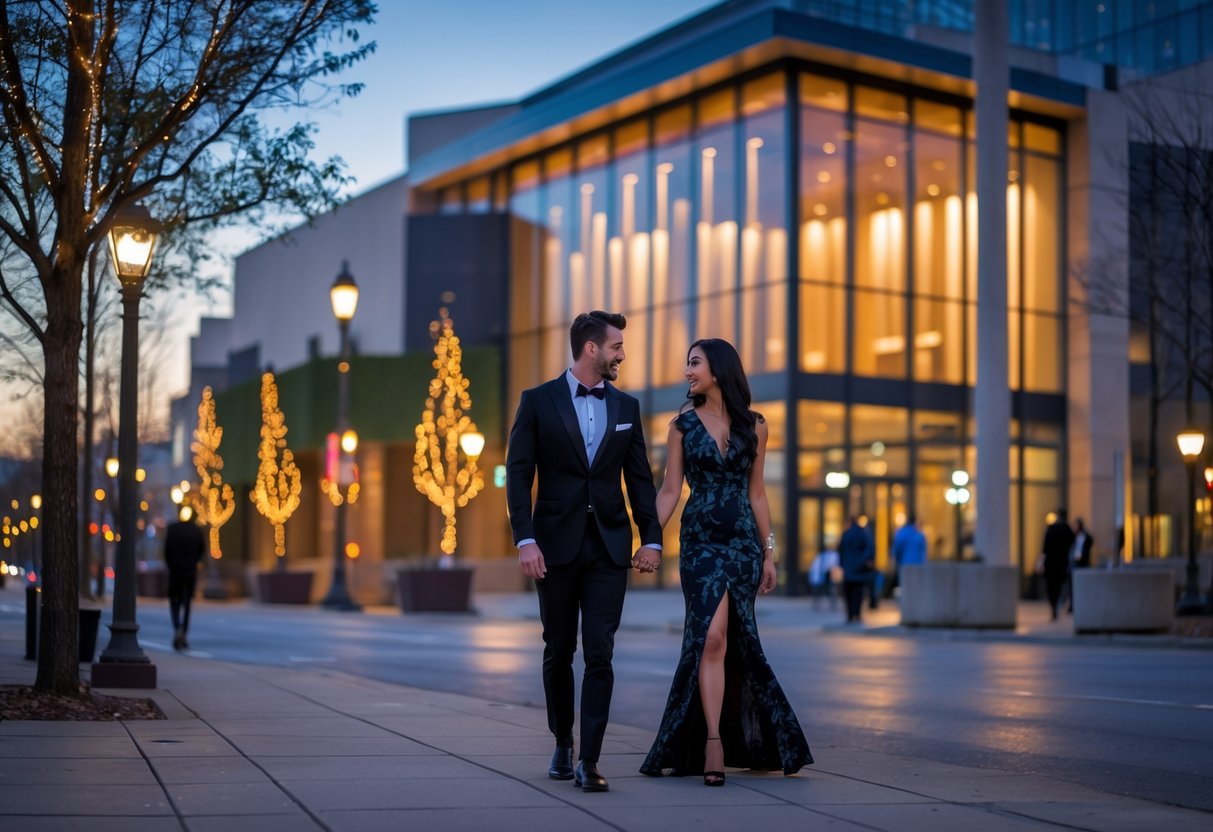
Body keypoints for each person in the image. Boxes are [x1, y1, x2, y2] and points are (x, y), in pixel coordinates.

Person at [640, 338, 812, 786]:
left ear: (718, 368)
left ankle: (732, 739)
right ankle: (712, 742)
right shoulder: (680, 426)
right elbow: (670, 491)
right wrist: (649, 540)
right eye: (687, 363)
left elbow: (757, 492)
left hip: (742, 548)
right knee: (711, 638)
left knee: (740, 642)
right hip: (698, 545)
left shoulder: (755, 426)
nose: (687, 371)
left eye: (694, 363)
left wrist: (769, 552)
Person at [505, 310, 662, 794]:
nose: (622, 354)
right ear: (591, 348)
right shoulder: (537, 402)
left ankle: (589, 760)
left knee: (600, 652)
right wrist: (525, 539)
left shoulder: (627, 407)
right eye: (616, 346)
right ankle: (561, 741)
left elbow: (639, 479)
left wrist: (651, 537)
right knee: (558, 649)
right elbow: (518, 474)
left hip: (609, 548)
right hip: (553, 547)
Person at [164, 507, 206, 651]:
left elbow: (167, 551)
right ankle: (184, 631)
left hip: (175, 571)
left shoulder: (172, 529)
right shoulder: (196, 530)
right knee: (187, 603)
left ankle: (177, 627)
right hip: (190, 572)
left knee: (174, 602)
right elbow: (202, 551)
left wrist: (171, 565)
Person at [1040, 509, 1076, 620]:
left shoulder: (1051, 529)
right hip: (1061, 562)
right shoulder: (1066, 529)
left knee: (1051, 585)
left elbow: (1044, 548)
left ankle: (1054, 606)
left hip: (1051, 562)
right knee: (1059, 585)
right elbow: (1072, 542)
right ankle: (1057, 604)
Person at [839, 515, 874, 623]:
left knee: (849, 593)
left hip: (849, 569)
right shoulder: (862, 533)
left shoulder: (846, 534)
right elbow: (870, 548)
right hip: (859, 569)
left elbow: (840, 551)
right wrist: (864, 561)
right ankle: (857, 614)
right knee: (858, 594)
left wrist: (842, 565)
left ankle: (850, 615)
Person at [891, 514, 927, 594]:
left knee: (905, 588)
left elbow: (896, 550)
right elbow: (923, 552)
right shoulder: (919, 535)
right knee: (916, 588)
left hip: (904, 565)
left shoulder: (901, 534)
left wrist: (896, 563)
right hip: (918, 566)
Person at [1066, 517, 1094, 612]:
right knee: (1071, 585)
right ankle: (1072, 605)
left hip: (1082, 563)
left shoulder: (1085, 536)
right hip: (1073, 563)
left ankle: (1080, 604)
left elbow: (1090, 542)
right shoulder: (1073, 536)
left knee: (1082, 586)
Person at [807, 544, 840, 608]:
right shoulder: (821, 556)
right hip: (822, 575)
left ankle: (832, 604)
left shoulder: (834, 555)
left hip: (830, 575)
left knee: (832, 590)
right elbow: (816, 567)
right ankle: (817, 604)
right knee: (819, 590)